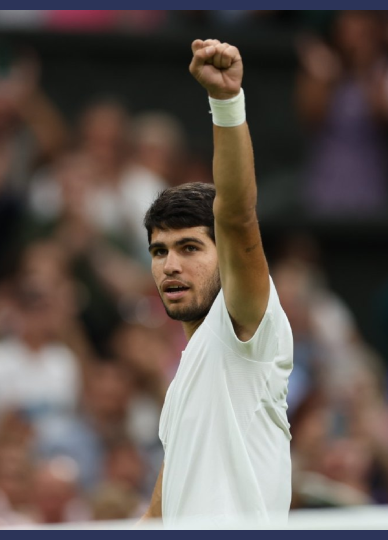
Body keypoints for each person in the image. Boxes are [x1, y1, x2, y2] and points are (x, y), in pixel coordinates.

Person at [137, 39, 293, 528]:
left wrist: (226, 102)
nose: (170, 266)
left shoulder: (245, 328)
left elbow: (239, 217)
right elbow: (162, 508)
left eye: (189, 248)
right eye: (160, 251)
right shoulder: (192, 373)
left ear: (224, 253)